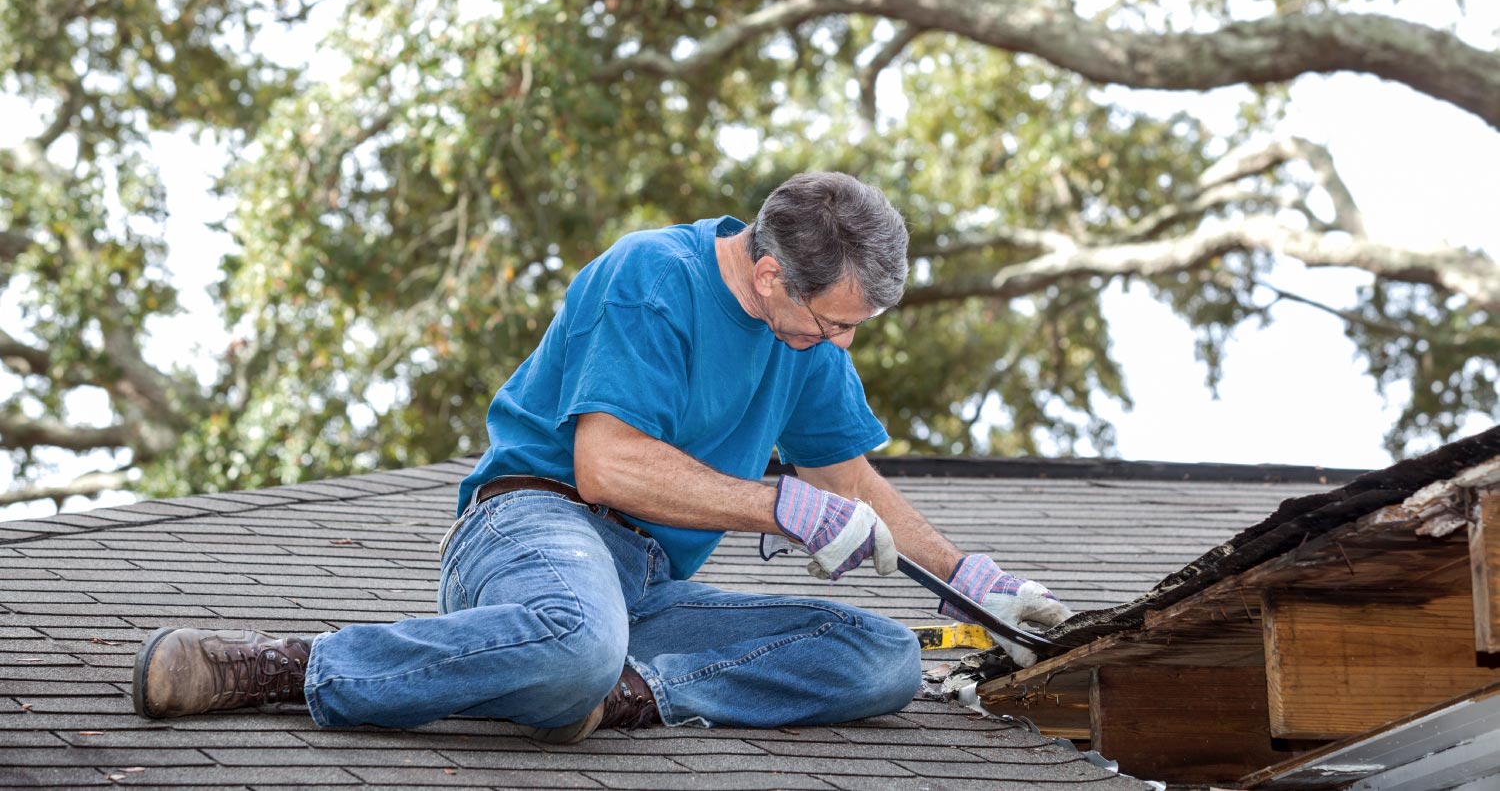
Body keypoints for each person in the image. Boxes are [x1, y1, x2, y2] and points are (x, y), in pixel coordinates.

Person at [132, 171, 1072, 741]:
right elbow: (607, 467)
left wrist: (968, 583)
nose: (843, 346)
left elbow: (849, 479)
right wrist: (775, 508)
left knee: (880, 660)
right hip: (533, 527)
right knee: (575, 635)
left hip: (646, 584)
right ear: (773, 274)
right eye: (836, 323)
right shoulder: (651, 277)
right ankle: (289, 668)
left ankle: (616, 693)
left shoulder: (807, 345)